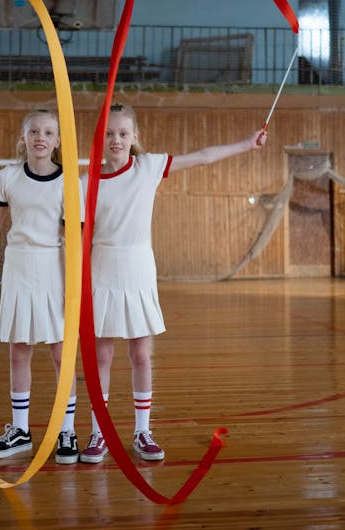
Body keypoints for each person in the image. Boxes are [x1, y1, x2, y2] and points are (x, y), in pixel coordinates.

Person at [79, 102, 268, 464]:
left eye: (122, 133)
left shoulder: (148, 167)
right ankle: (98, 432)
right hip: (101, 270)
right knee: (101, 355)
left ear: (135, 136)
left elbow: (202, 156)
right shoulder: (87, 182)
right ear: (99, 138)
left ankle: (142, 431)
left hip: (138, 269)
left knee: (140, 354)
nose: (115, 139)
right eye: (108, 133)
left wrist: (246, 144)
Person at [0, 108, 78, 465]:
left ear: (58, 141)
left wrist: (78, 280)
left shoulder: (68, 181)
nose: (40, 137)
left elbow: (74, 236)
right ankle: (20, 431)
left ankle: (67, 431)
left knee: (61, 353)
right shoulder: (8, 177)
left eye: (48, 132)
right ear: (24, 138)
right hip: (18, 268)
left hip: (54, 270)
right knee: (19, 349)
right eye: (34, 131)